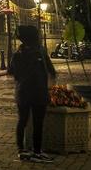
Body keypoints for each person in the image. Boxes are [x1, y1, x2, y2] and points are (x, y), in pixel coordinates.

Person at [8, 24, 57, 162]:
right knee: (31, 121)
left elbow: (12, 72)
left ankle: (28, 150)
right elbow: (50, 70)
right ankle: (30, 150)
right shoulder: (33, 52)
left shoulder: (20, 53)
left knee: (29, 121)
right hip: (33, 91)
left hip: (28, 91)